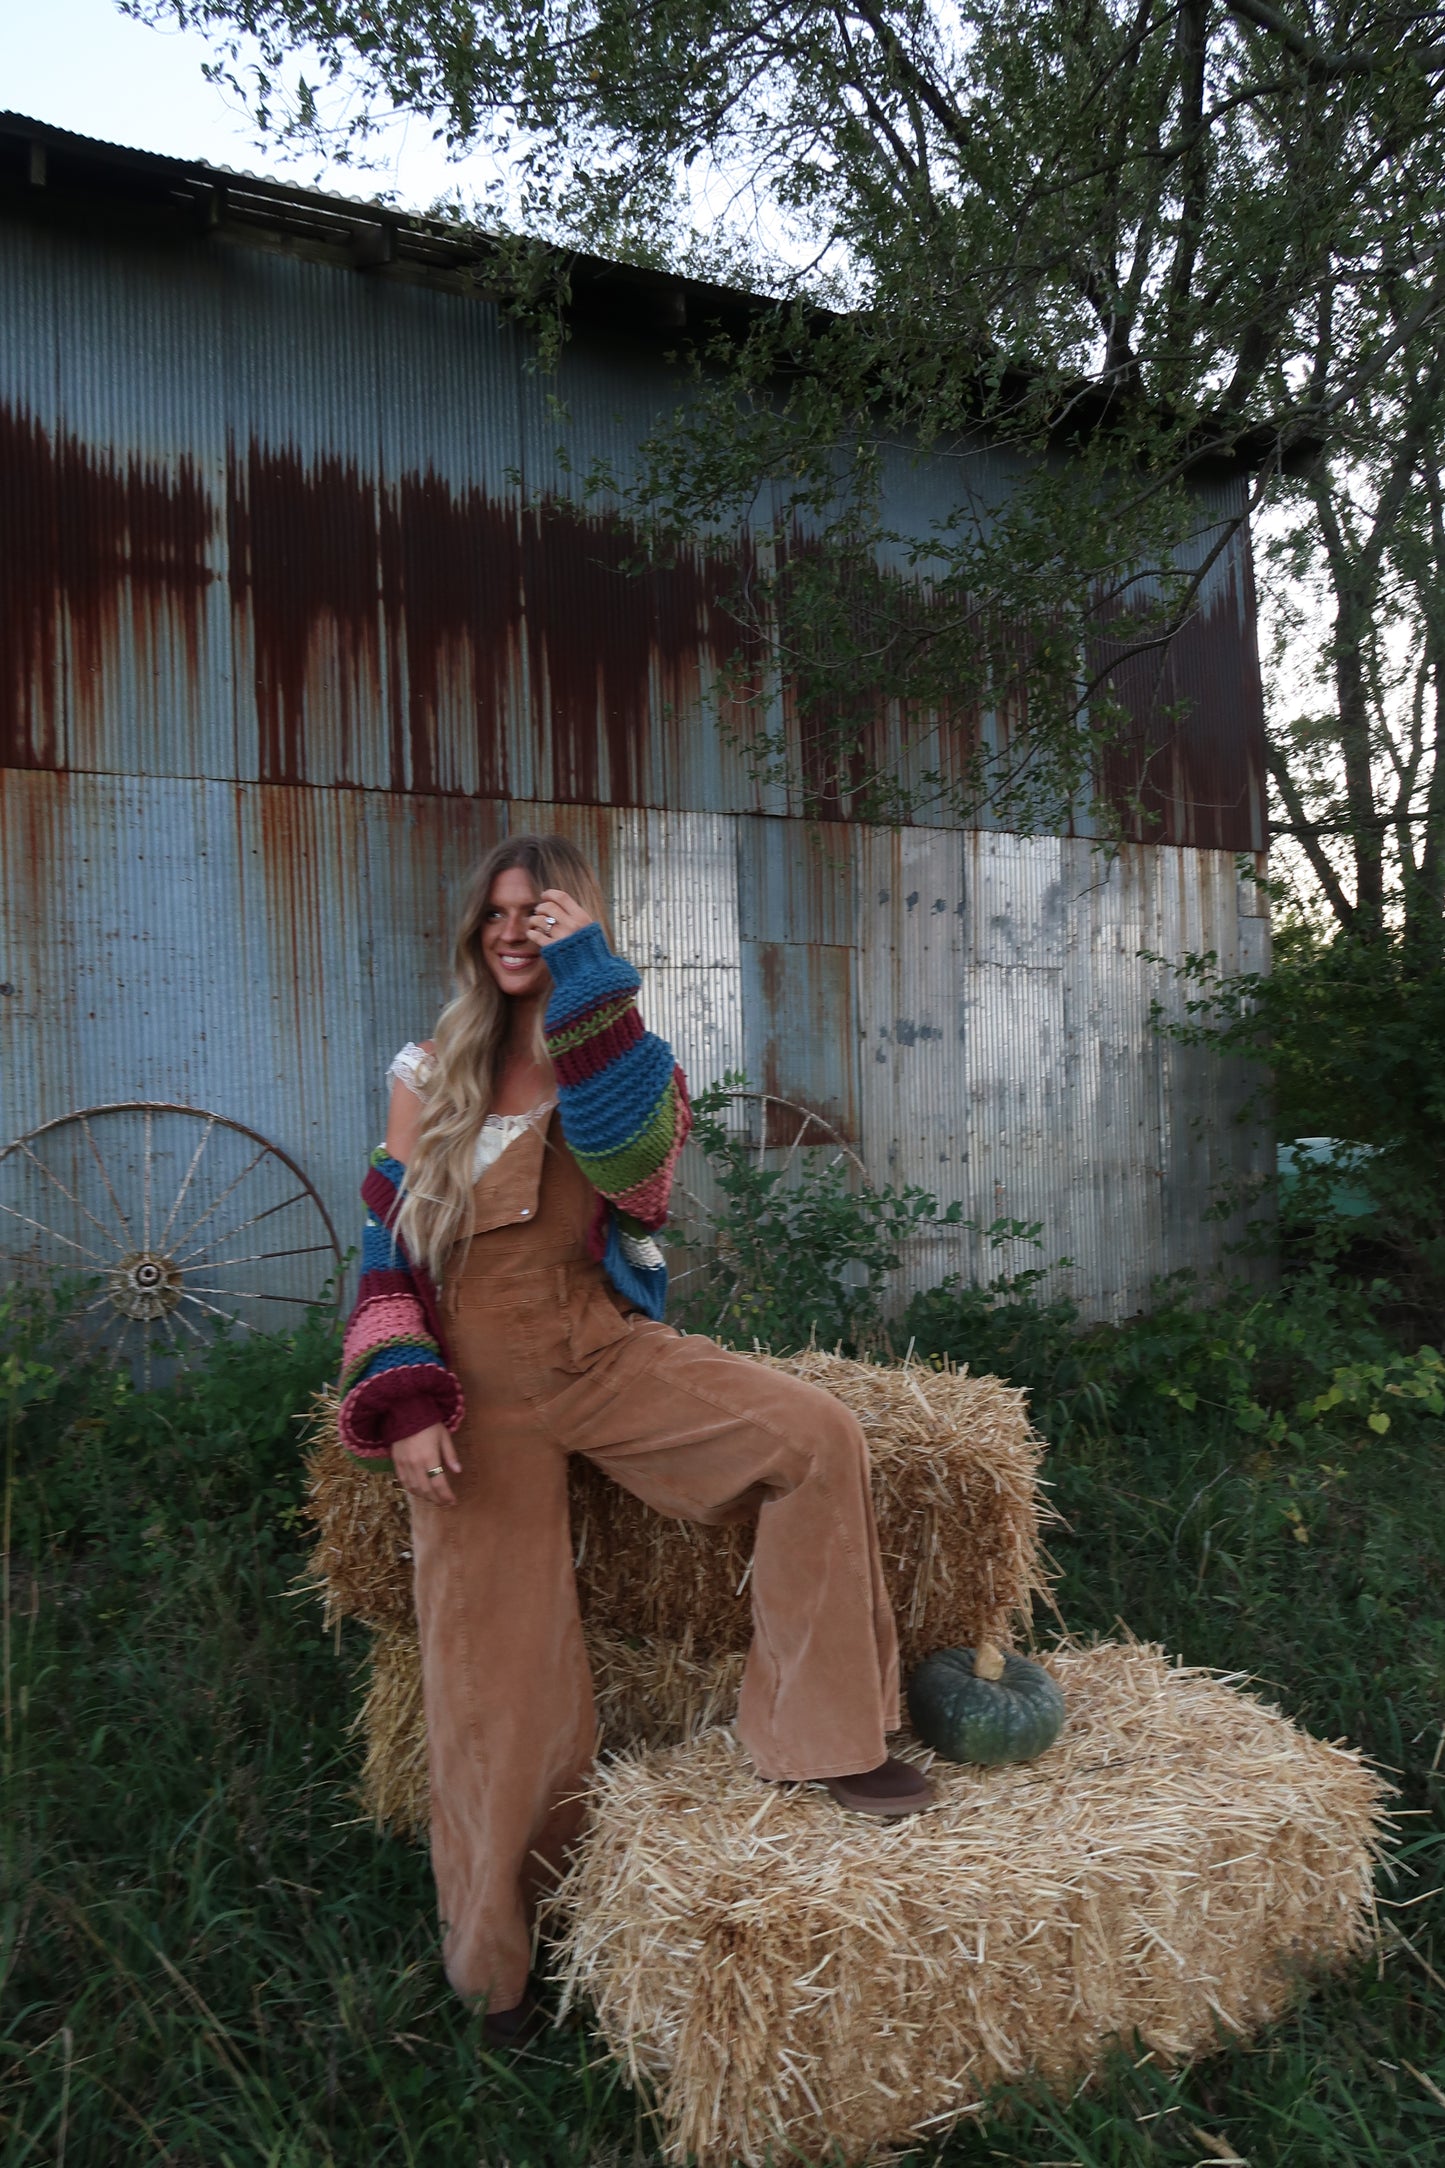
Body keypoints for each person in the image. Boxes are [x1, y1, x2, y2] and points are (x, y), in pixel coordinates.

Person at [337, 833, 933, 2044]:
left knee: (814, 1434)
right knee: (494, 1676)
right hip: (475, 1392)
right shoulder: (426, 1069)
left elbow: (627, 1164)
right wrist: (403, 1399)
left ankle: (821, 1738)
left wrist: (587, 980)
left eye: (540, 911)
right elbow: (385, 1250)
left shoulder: (626, 1059)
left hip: (598, 1347)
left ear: (581, 923)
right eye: (498, 912)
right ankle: (502, 1965)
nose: (514, 930)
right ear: (473, 928)